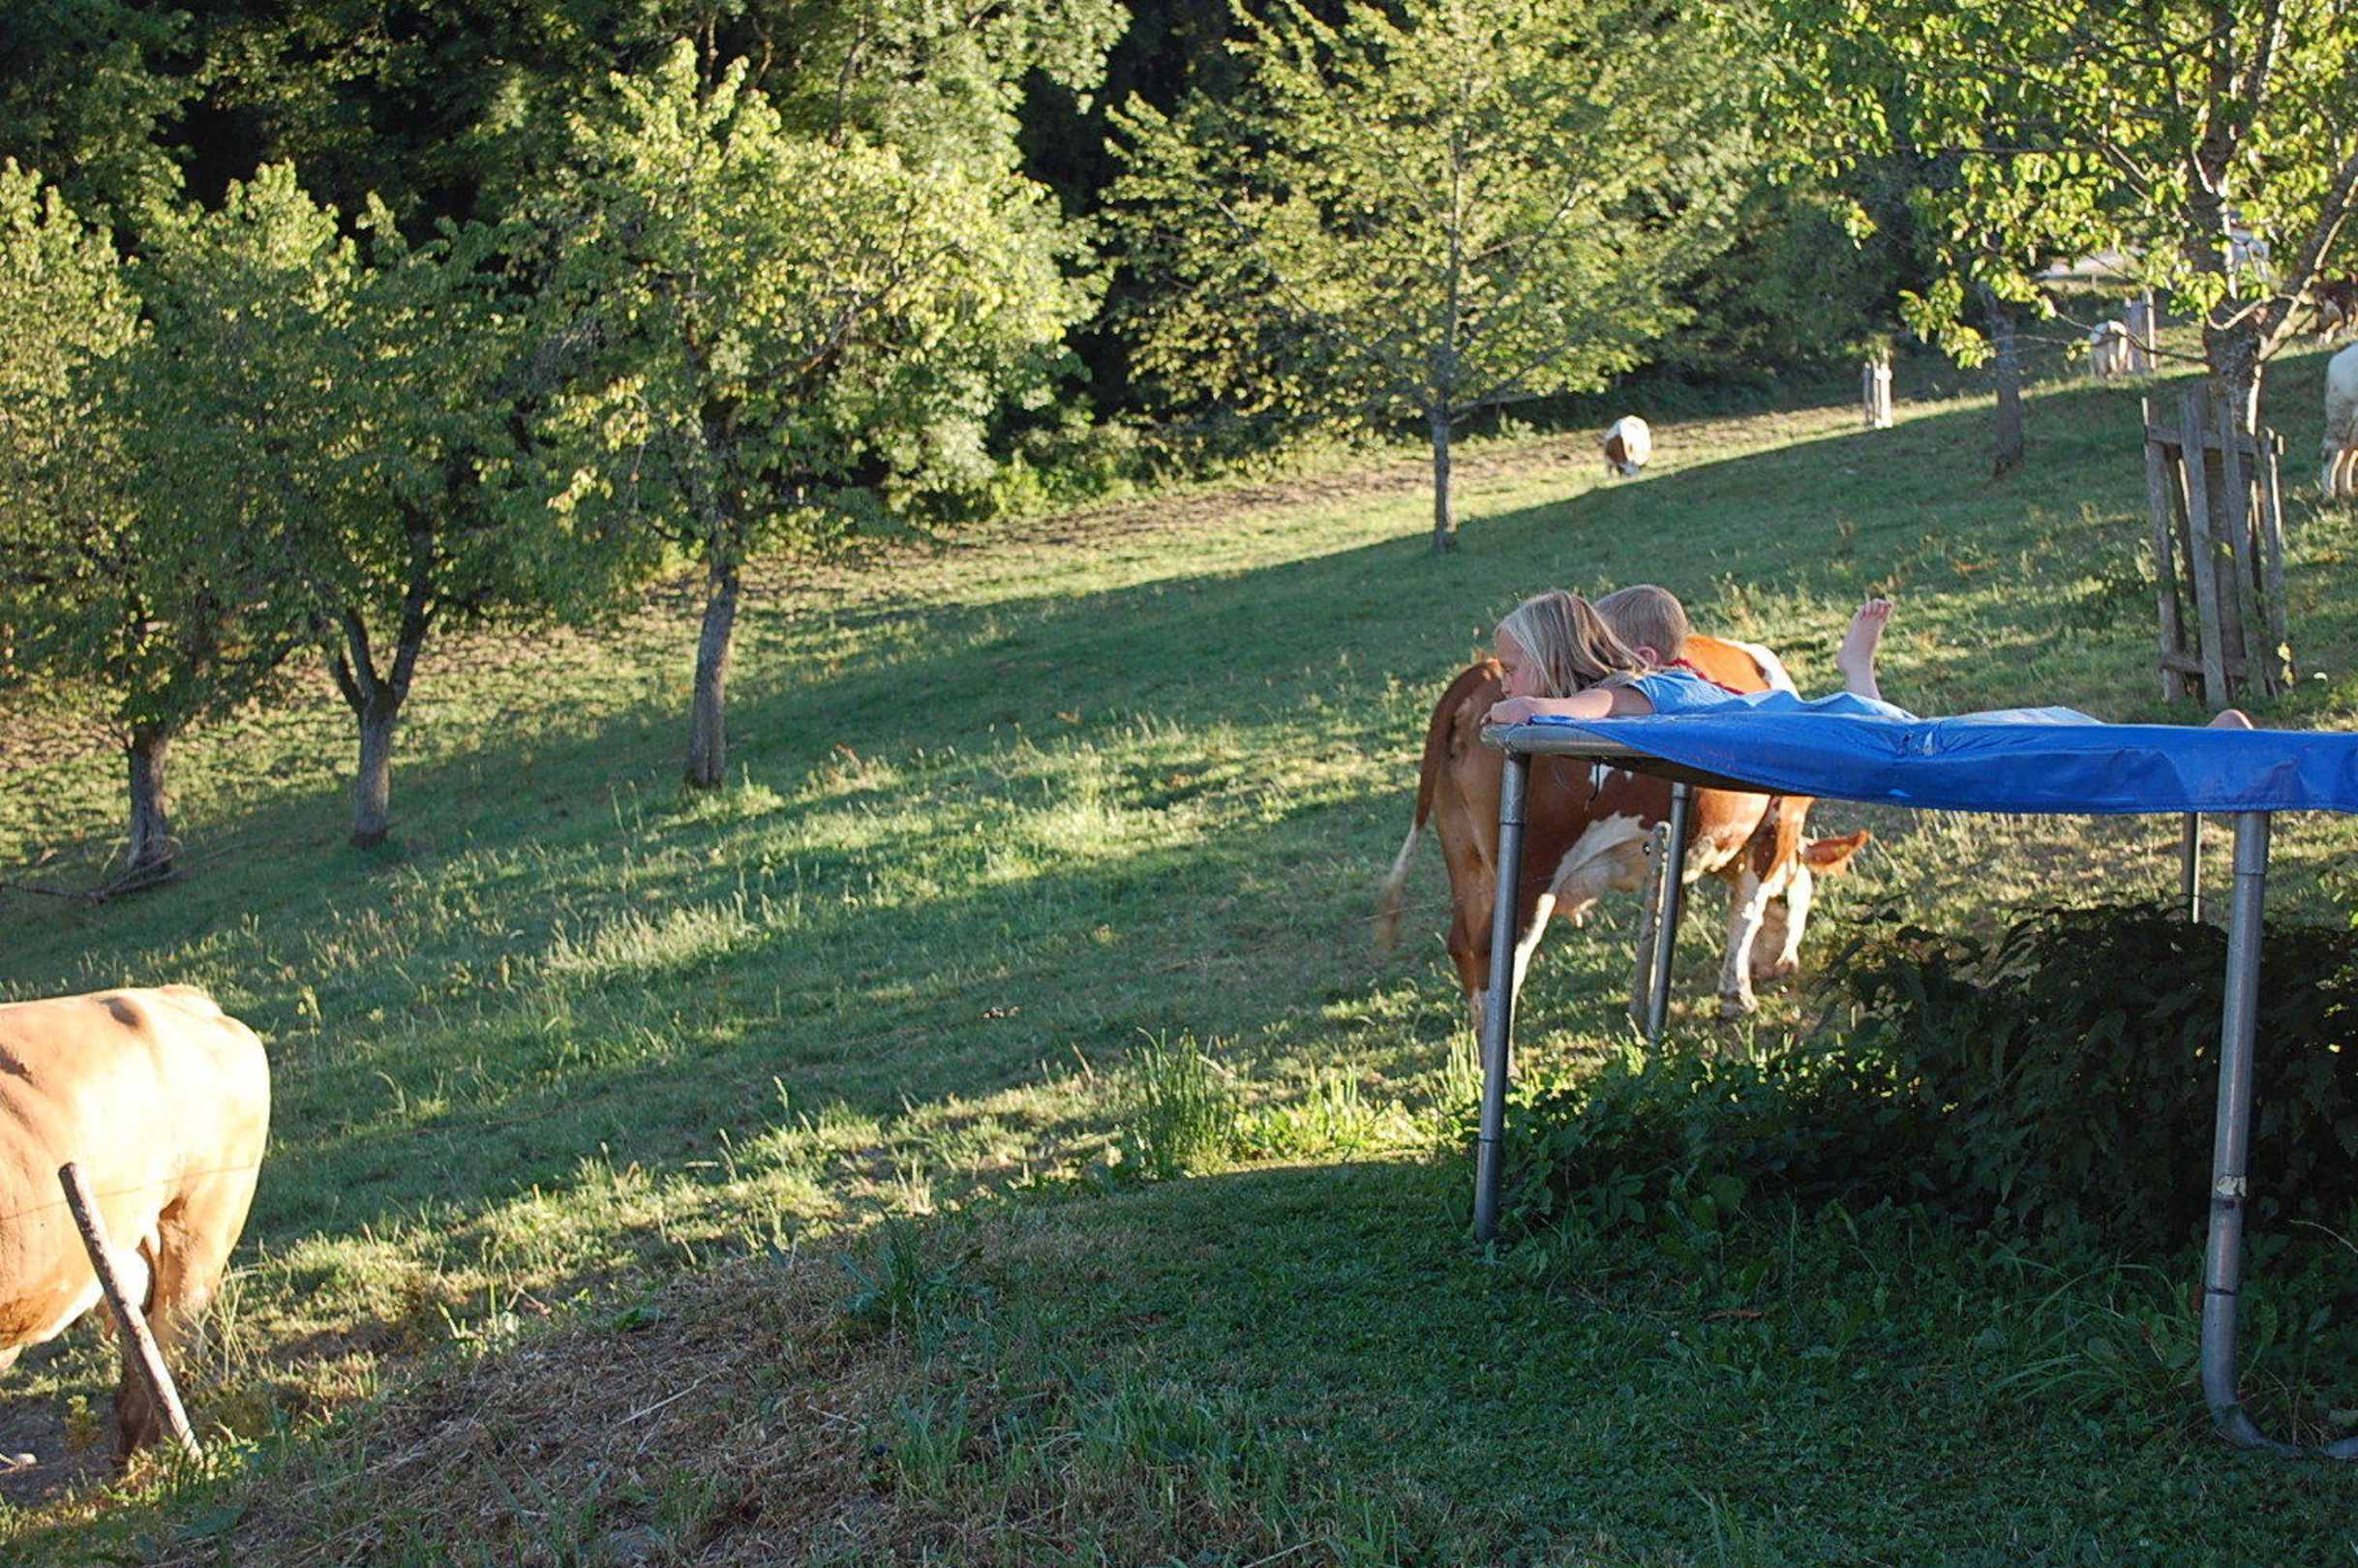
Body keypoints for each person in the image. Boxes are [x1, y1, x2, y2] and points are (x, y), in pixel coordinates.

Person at [1487, 589, 2252, 730]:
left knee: (2044, 732)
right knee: (2034, 726)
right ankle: (1857, 672)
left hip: (1860, 736)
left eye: (1514, 664)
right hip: (1844, 724)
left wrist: (1521, 706)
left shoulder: (1639, 689)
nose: (1505, 679)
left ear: (1560, 658)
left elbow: (1569, 708)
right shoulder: (1656, 687)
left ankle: (2200, 746)